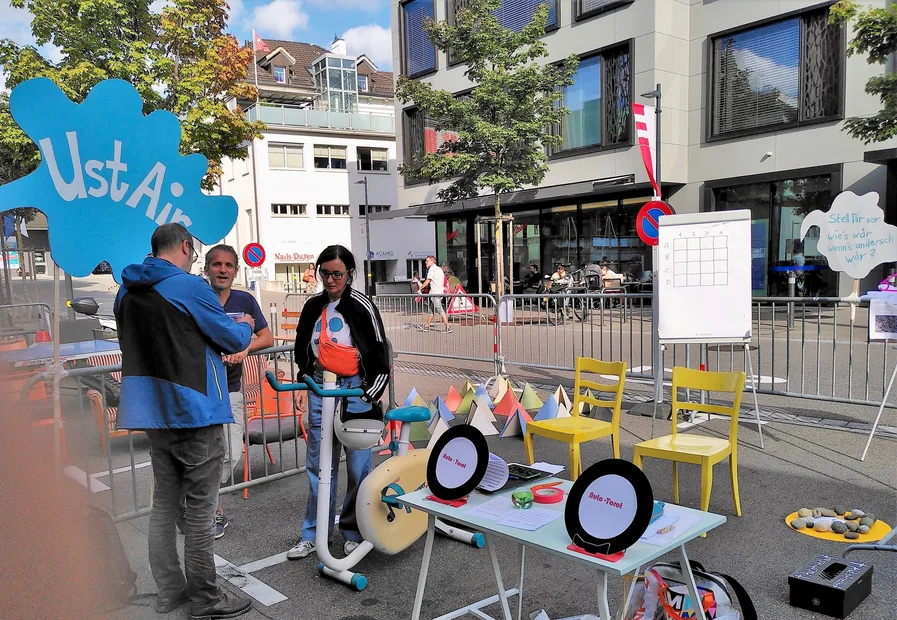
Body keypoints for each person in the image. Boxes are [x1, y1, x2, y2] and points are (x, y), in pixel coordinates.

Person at [114, 223, 254, 619]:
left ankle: (169, 593)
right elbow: (233, 339)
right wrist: (243, 325)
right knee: (199, 512)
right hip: (195, 411)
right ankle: (206, 599)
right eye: (193, 254)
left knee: (163, 508)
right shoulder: (190, 288)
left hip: (153, 412)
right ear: (184, 248)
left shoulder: (126, 290)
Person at [286, 245, 390, 560]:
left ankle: (353, 531)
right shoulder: (312, 306)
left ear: (349, 274)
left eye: (337, 274)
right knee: (320, 468)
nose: (330, 280)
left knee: (358, 470)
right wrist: (305, 382)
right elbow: (301, 348)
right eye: (325, 273)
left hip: (354, 392)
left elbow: (379, 354)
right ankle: (314, 534)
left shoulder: (361, 306)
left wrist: (369, 394)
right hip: (320, 389)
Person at [204, 244, 274, 539]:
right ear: (206, 268)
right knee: (200, 454)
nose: (223, 270)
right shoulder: (197, 296)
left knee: (231, 453)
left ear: (235, 271)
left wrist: (244, 348)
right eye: (217, 264)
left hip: (231, 389)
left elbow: (267, 337)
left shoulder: (245, 300)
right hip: (197, 389)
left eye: (228, 265)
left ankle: (200, 501)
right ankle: (211, 510)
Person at [419, 255, 452, 333]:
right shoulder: (439, 269)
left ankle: (448, 327)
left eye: (427, 261)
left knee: (440, 310)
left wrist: (420, 288)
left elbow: (428, 280)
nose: (426, 262)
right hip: (440, 292)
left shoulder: (432, 269)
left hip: (435, 294)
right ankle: (426, 326)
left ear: (432, 261)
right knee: (431, 310)